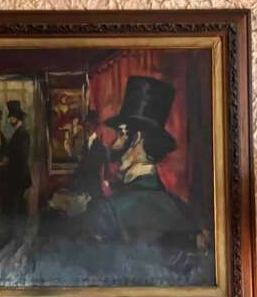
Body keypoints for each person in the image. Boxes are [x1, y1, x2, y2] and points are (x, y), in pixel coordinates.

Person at [83, 76, 198, 249]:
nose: (114, 143)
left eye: (121, 134)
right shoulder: (182, 209)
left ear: (136, 139)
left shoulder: (106, 210)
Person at [2, 101, 32, 218]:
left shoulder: (23, 133)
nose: (9, 120)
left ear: (17, 118)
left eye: (11, 118)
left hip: (19, 176)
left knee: (17, 207)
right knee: (16, 206)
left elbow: (22, 155)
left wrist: (8, 158)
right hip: (16, 176)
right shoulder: (18, 133)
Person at [72, 110, 108, 199]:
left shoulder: (100, 146)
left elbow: (101, 168)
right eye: (86, 124)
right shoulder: (86, 143)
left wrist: (102, 184)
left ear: (93, 125)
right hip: (84, 185)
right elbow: (82, 163)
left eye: (88, 124)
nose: (85, 126)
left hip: (94, 187)